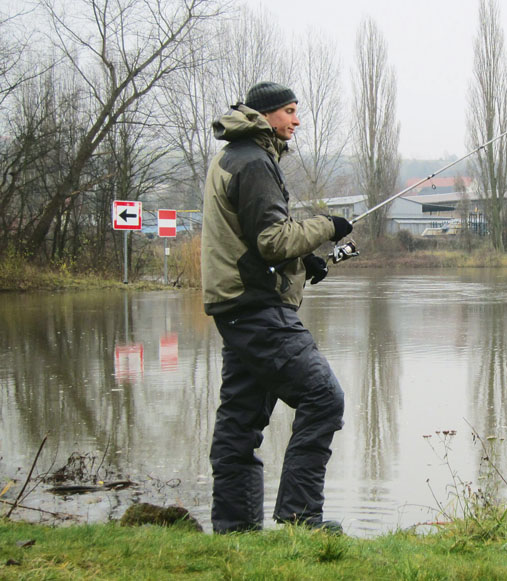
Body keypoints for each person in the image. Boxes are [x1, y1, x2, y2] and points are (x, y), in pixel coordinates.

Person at [200, 81, 353, 534]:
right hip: (257, 308)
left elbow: (253, 238)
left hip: (237, 306)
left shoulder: (235, 156)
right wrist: (328, 225)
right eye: (289, 111)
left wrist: (304, 264)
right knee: (324, 398)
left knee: (240, 423)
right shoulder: (253, 161)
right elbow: (270, 241)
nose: (296, 120)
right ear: (265, 114)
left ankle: (235, 530)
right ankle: (300, 522)